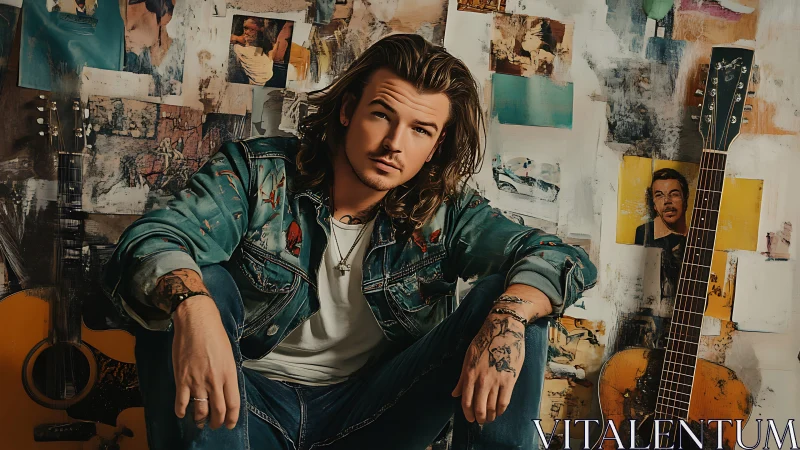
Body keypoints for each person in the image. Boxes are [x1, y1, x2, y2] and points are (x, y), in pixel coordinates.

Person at [102, 33, 596, 450]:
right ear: (346, 110)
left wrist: (509, 315)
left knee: (513, 298)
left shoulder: (447, 214)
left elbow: (558, 257)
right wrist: (193, 306)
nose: (393, 144)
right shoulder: (258, 174)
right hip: (243, 408)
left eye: (420, 129)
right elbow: (152, 240)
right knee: (189, 283)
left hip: (368, 414)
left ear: (436, 145)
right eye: (382, 115)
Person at [634, 167, 689, 300]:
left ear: (685, 199)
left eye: (674, 194)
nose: (667, 201)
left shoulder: (697, 238)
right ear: (653, 204)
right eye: (659, 195)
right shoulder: (644, 233)